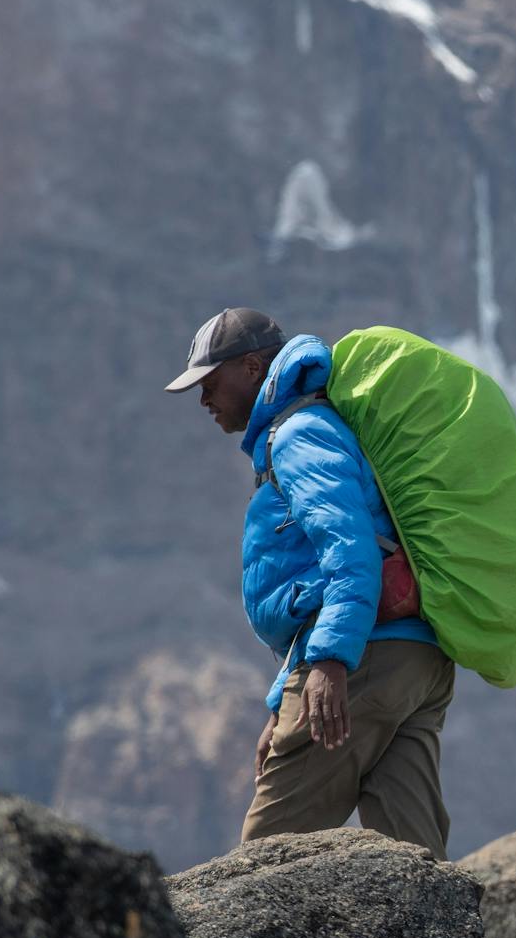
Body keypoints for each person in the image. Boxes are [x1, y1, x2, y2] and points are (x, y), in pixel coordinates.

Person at [170, 307, 456, 856]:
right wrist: (283, 700)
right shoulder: (317, 426)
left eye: (209, 382)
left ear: (253, 367)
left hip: (364, 653)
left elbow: (349, 549)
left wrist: (329, 662)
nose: (203, 399)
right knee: (412, 855)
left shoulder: (299, 434)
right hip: (416, 659)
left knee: (264, 862)